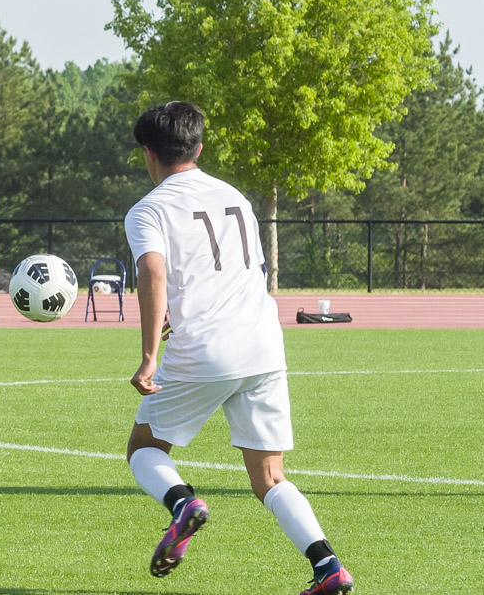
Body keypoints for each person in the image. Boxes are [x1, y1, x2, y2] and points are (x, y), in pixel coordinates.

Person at [123, 102, 353, 595]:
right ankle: (327, 566)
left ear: (148, 154)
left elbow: (153, 272)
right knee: (270, 477)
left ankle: (183, 502)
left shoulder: (149, 209)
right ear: (199, 147)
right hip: (263, 343)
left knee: (144, 448)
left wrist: (148, 355)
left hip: (206, 347)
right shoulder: (234, 196)